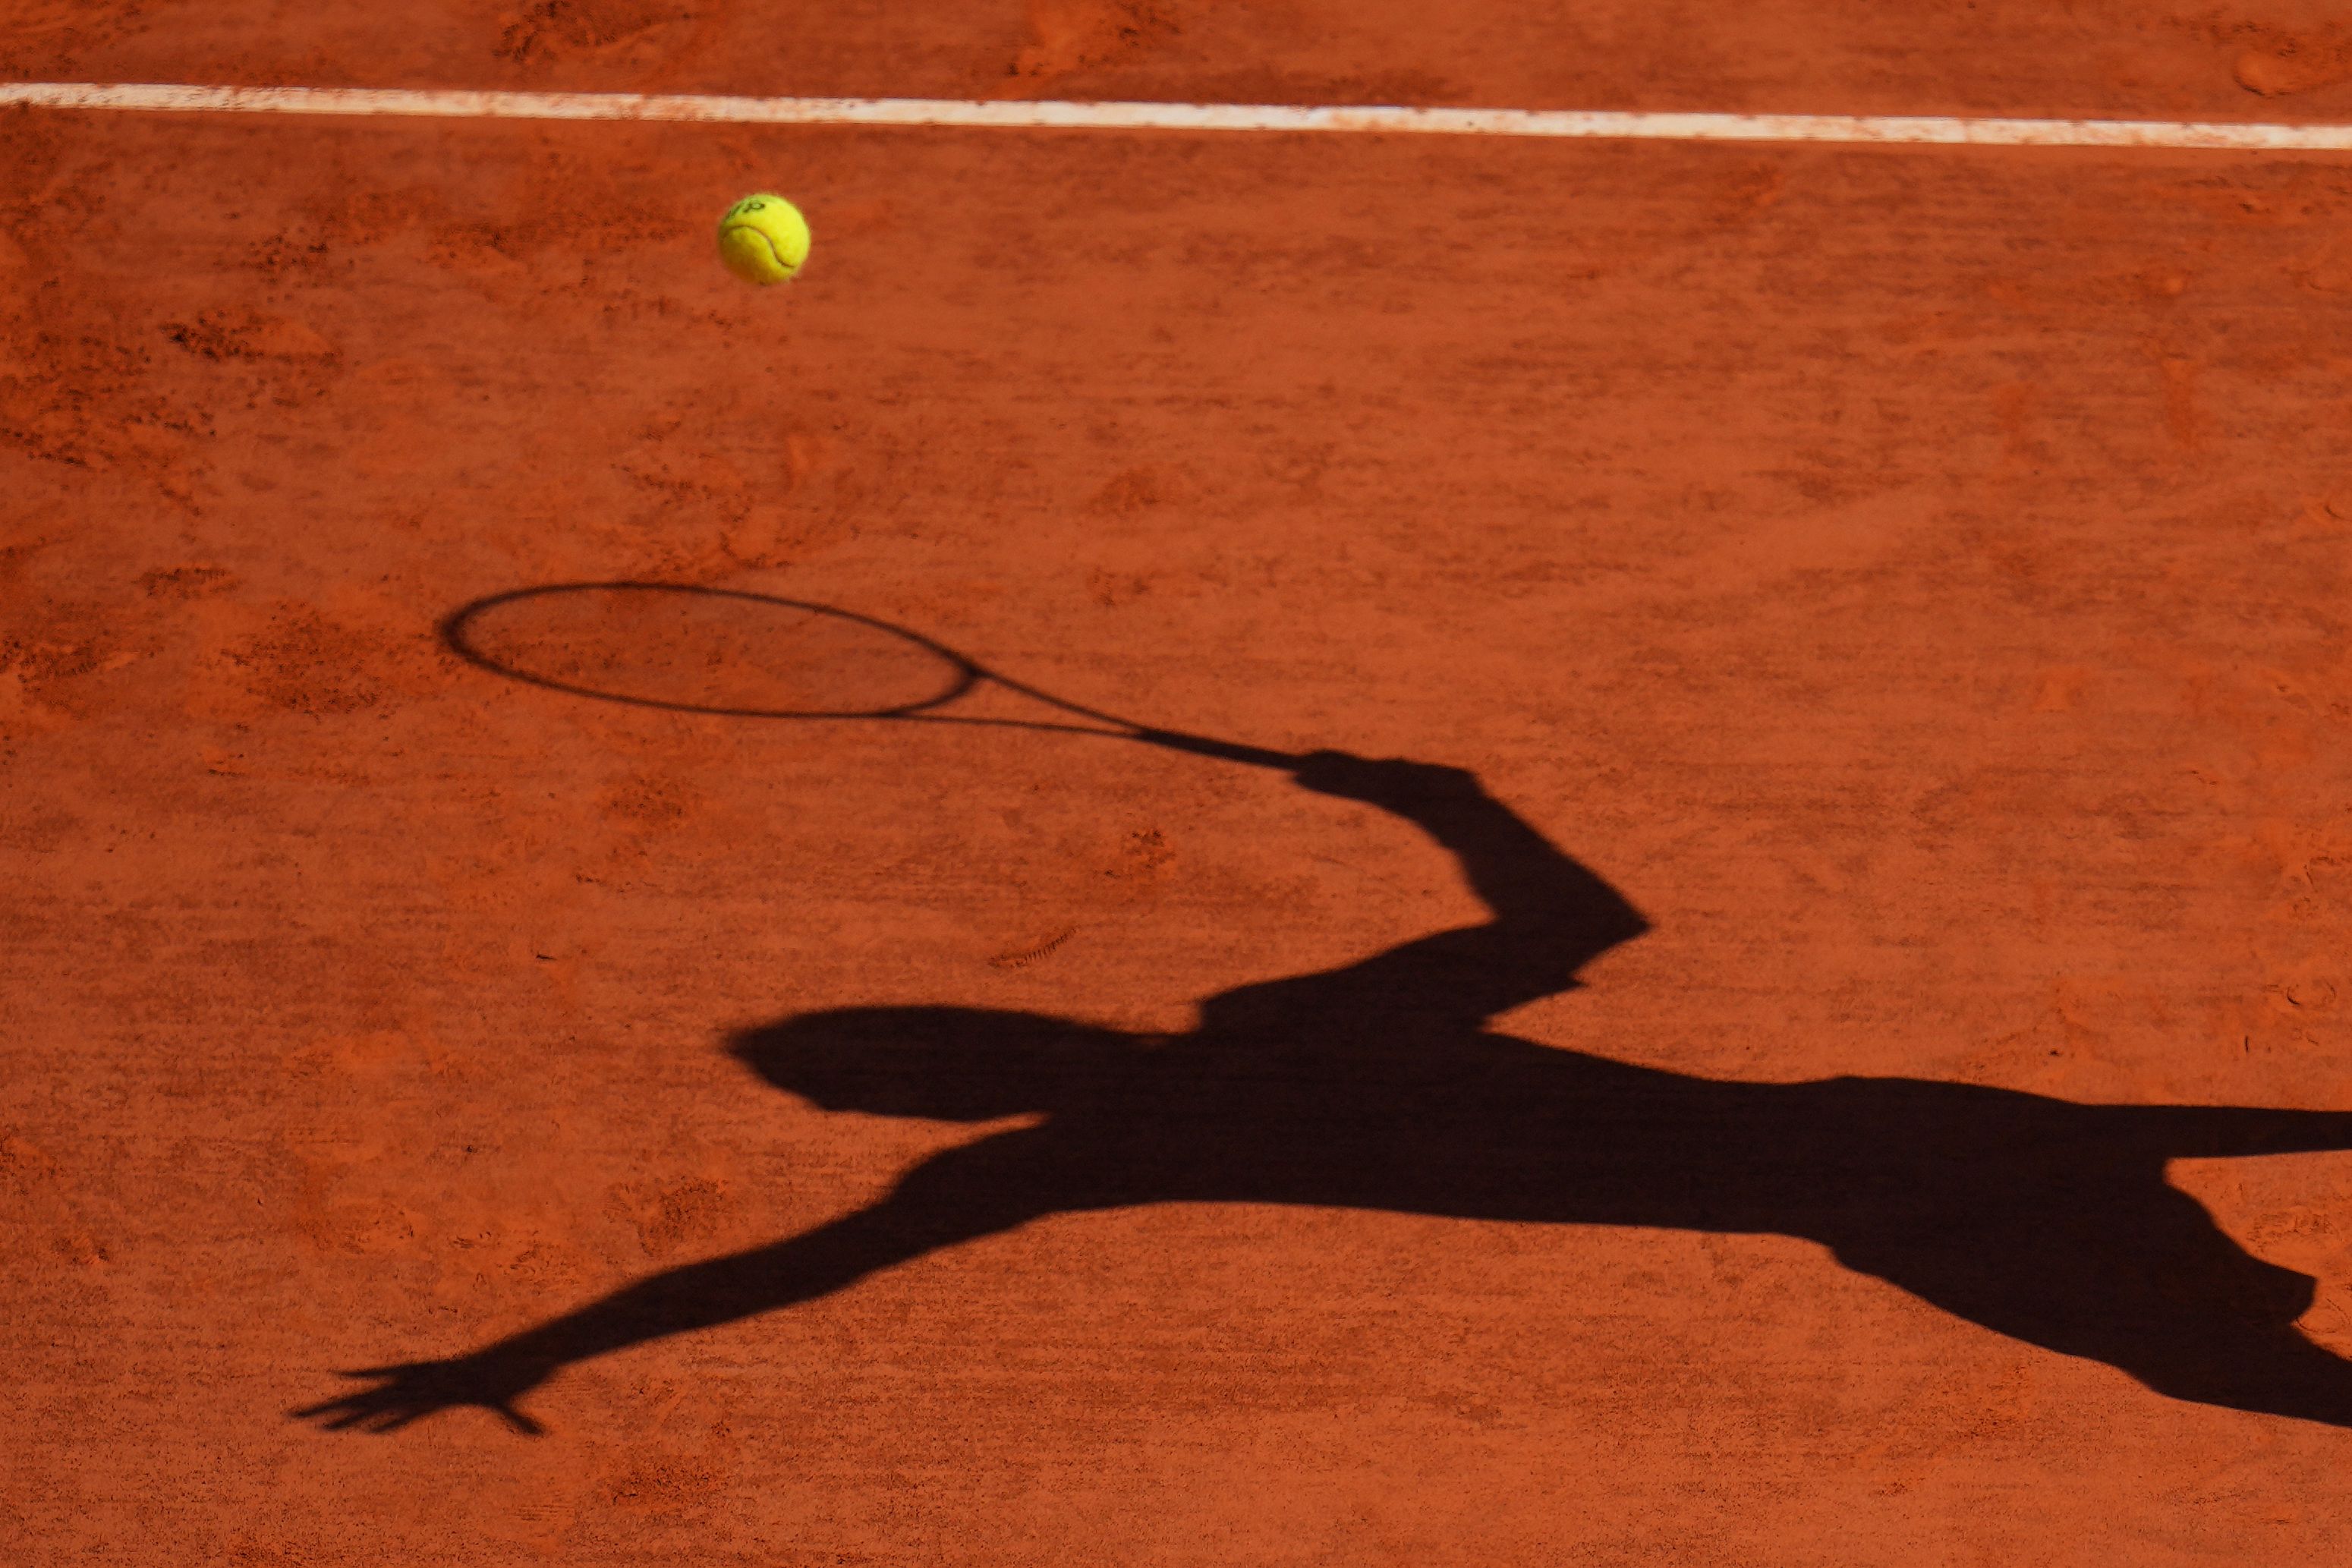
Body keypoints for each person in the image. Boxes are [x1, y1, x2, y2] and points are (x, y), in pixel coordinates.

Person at [302, 754, 2352, 1433]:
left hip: (1892, 1185)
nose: (918, 1098)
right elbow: (1584, 918)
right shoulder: (1266, 1037)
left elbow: (796, 1268)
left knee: (2226, 1375)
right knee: (2224, 1344)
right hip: (1896, 1147)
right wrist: (1442, 802)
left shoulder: (1100, 1153)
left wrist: (518, 1352)